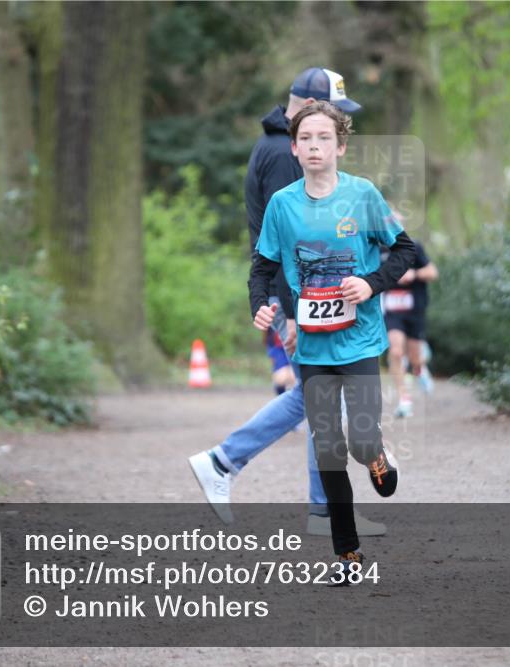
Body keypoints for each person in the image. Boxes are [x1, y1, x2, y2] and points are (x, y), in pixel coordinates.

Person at [188, 68, 385, 537]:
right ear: (309, 107)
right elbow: (290, 243)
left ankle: (317, 507)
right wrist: (293, 314)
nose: (334, 122)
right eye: (332, 111)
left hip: (296, 296)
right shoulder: (283, 153)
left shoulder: (279, 144)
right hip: (294, 297)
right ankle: (226, 462)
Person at [249, 100, 416, 582]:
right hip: (313, 348)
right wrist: (260, 305)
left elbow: (404, 250)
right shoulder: (282, 205)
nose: (314, 146)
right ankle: (348, 556)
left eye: (324, 138)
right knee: (327, 449)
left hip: (359, 340)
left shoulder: (362, 195)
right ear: (294, 148)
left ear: (340, 146)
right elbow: (262, 267)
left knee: (360, 438)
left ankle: (376, 454)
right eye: (305, 139)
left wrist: (370, 283)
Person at [382, 237, 438, 417]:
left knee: (415, 358)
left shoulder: (414, 247)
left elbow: (432, 272)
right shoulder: (378, 250)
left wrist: (413, 274)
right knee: (396, 351)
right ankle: (404, 399)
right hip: (392, 312)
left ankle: (419, 368)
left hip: (414, 311)